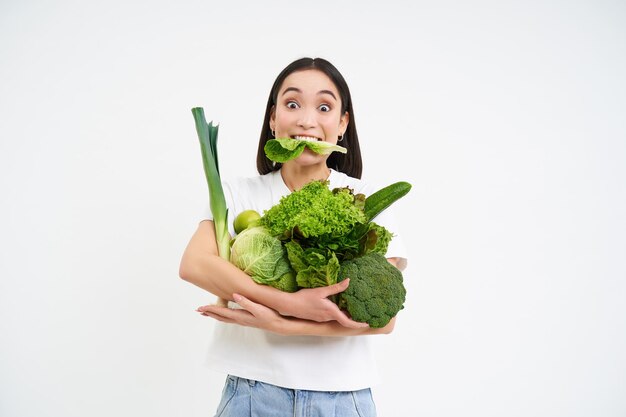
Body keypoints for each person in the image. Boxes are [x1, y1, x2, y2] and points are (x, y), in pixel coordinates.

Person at [179, 57, 408, 417]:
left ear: (342, 123)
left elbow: (383, 319)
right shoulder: (237, 194)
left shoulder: (366, 200)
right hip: (251, 393)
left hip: (342, 397)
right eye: (292, 104)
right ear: (273, 119)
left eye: (324, 106)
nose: (306, 120)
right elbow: (195, 265)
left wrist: (280, 324)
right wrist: (287, 302)